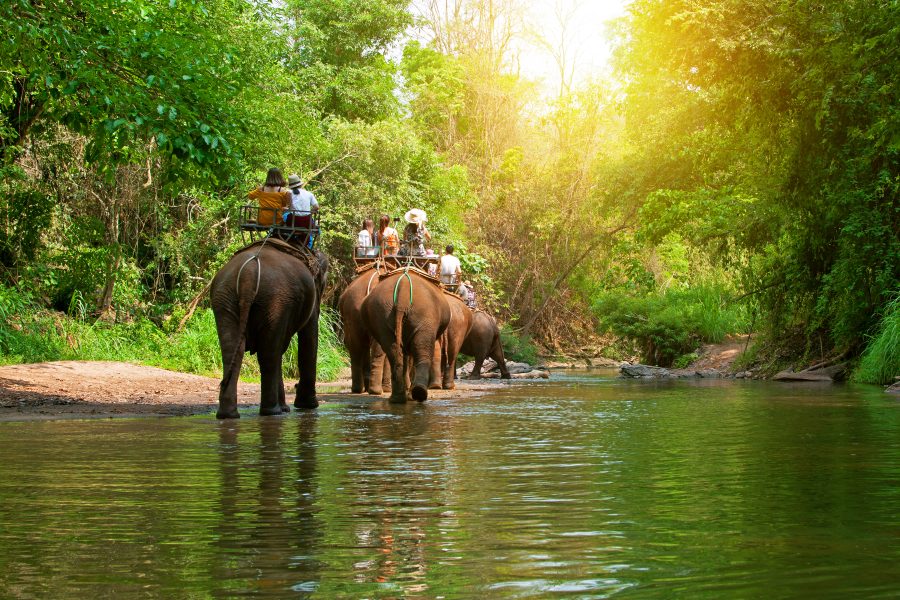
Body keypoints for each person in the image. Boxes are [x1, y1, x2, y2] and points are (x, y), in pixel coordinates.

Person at [284, 174, 319, 246]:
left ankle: (288, 239)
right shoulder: (309, 194)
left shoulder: (289, 193)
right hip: (307, 222)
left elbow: (289, 207)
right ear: (300, 185)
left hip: (294, 222)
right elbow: (316, 207)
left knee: (285, 216)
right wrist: (310, 213)